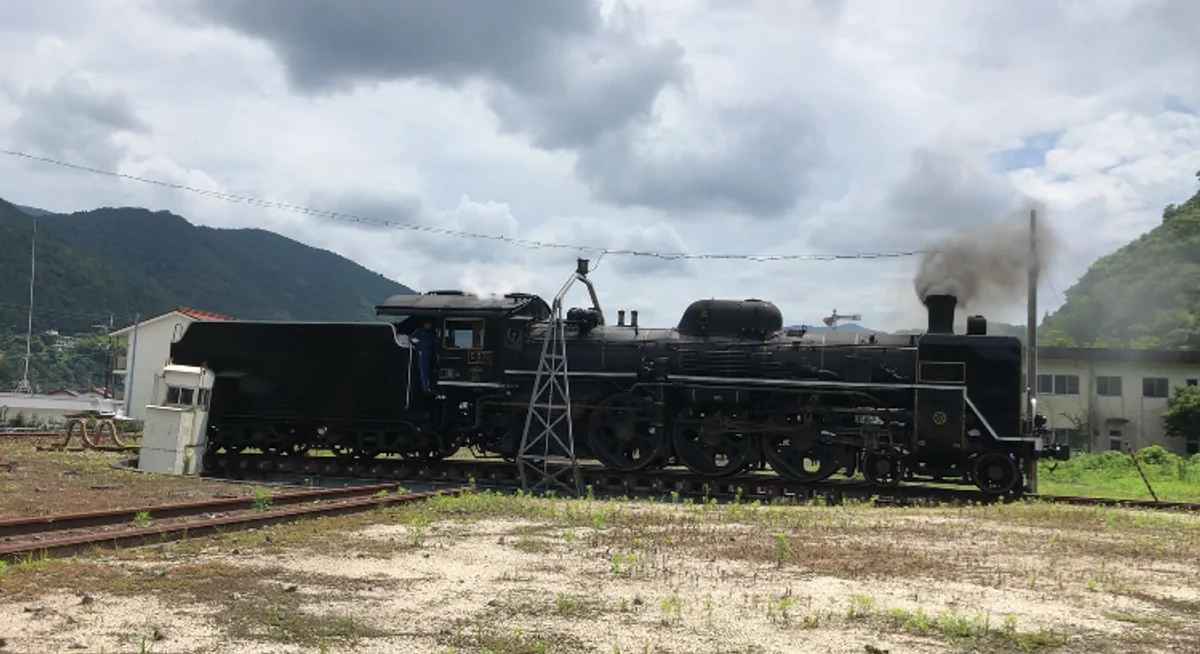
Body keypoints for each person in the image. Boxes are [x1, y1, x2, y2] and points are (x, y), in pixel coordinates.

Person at [410, 319, 437, 394]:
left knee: (428, 370)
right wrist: (414, 341)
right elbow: (410, 338)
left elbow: (436, 340)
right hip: (421, 351)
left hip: (429, 352)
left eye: (429, 324)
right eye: (427, 324)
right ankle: (424, 387)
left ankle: (428, 386)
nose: (428, 325)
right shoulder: (419, 331)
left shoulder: (431, 332)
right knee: (422, 369)